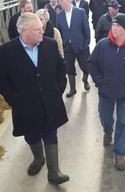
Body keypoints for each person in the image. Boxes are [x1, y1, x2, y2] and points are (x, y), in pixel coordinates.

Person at [0, 12, 69, 184]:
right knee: (31, 134)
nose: (42, 31)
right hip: (25, 105)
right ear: (23, 31)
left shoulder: (50, 45)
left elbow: (62, 68)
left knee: (51, 133)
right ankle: (38, 158)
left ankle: (54, 172)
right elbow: (2, 80)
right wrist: (14, 100)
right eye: (37, 29)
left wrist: (58, 89)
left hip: (49, 102)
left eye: (42, 28)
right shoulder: (7, 51)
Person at [87, 13, 125, 171]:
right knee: (105, 117)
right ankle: (108, 131)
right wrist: (99, 81)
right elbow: (91, 64)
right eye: (113, 25)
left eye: (118, 26)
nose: (114, 29)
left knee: (123, 122)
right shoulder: (102, 45)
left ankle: (120, 153)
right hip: (106, 92)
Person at [56, 0, 91, 98]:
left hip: (81, 46)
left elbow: (86, 29)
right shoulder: (59, 15)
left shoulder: (80, 12)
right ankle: (72, 89)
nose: (60, 3)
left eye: (61, 0)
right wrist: (62, 45)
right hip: (67, 47)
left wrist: (86, 43)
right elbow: (58, 32)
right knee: (69, 69)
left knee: (86, 67)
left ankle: (85, 80)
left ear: (68, 0)